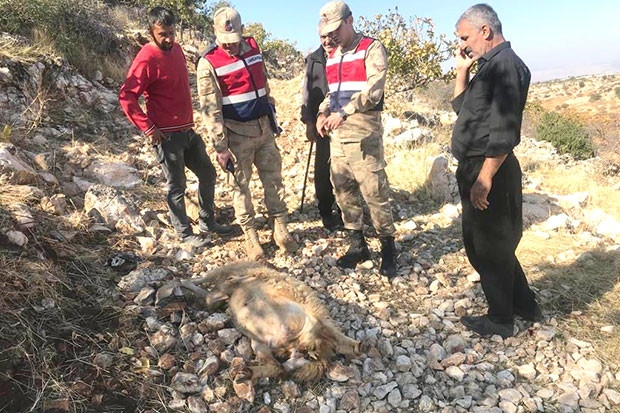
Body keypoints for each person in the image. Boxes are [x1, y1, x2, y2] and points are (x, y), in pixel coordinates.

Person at [451, 4, 541, 338]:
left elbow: (505, 131)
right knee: (489, 244)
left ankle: (501, 320)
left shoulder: (505, 66)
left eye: (465, 37)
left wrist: (484, 178)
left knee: (488, 247)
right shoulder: (489, 66)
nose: (463, 44)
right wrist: (462, 70)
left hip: (490, 167)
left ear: (485, 31)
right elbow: (463, 110)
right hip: (476, 165)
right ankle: (525, 305)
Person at [119, 6, 232, 248]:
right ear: (151, 32)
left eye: (171, 33)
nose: (169, 39)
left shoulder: (177, 49)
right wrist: (149, 128)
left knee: (208, 174)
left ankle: (207, 222)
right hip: (166, 136)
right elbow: (127, 96)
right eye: (163, 34)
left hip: (187, 130)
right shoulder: (146, 58)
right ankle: (184, 233)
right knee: (177, 186)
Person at [197, 6, 298, 260]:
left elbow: (263, 83)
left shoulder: (253, 47)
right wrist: (221, 147)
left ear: (242, 31)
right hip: (236, 135)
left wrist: (271, 110)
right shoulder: (208, 62)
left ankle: (280, 227)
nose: (230, 45)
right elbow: (210, 109)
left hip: (264, 128)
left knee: (274, 179)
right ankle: (250, 235)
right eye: (225, 40)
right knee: (240, 187)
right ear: (214, 32)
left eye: (234, 39)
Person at [315, 1, 397, 278]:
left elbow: (373, 91)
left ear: (350, 21)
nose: (332, 36)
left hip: (363, 132)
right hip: (338, 135)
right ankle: (357, 245)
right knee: (343, 190)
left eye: (336, 29)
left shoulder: (371, 48)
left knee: (374, 191)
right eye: (327, 32)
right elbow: (333, 93)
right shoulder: (332, 55)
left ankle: (388, 248)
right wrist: (323, 112)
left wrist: (344, 112)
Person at [300, 21, 344, 232]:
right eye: (323, 37)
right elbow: (307, 92)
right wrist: (308, 121)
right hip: (321, 123)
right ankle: (326, 210)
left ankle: (346, 211)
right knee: (322, 168)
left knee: (344, 169)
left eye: (331, 36)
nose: (327, 41)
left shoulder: (348, 55)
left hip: (345, 120)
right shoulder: (314, 59)